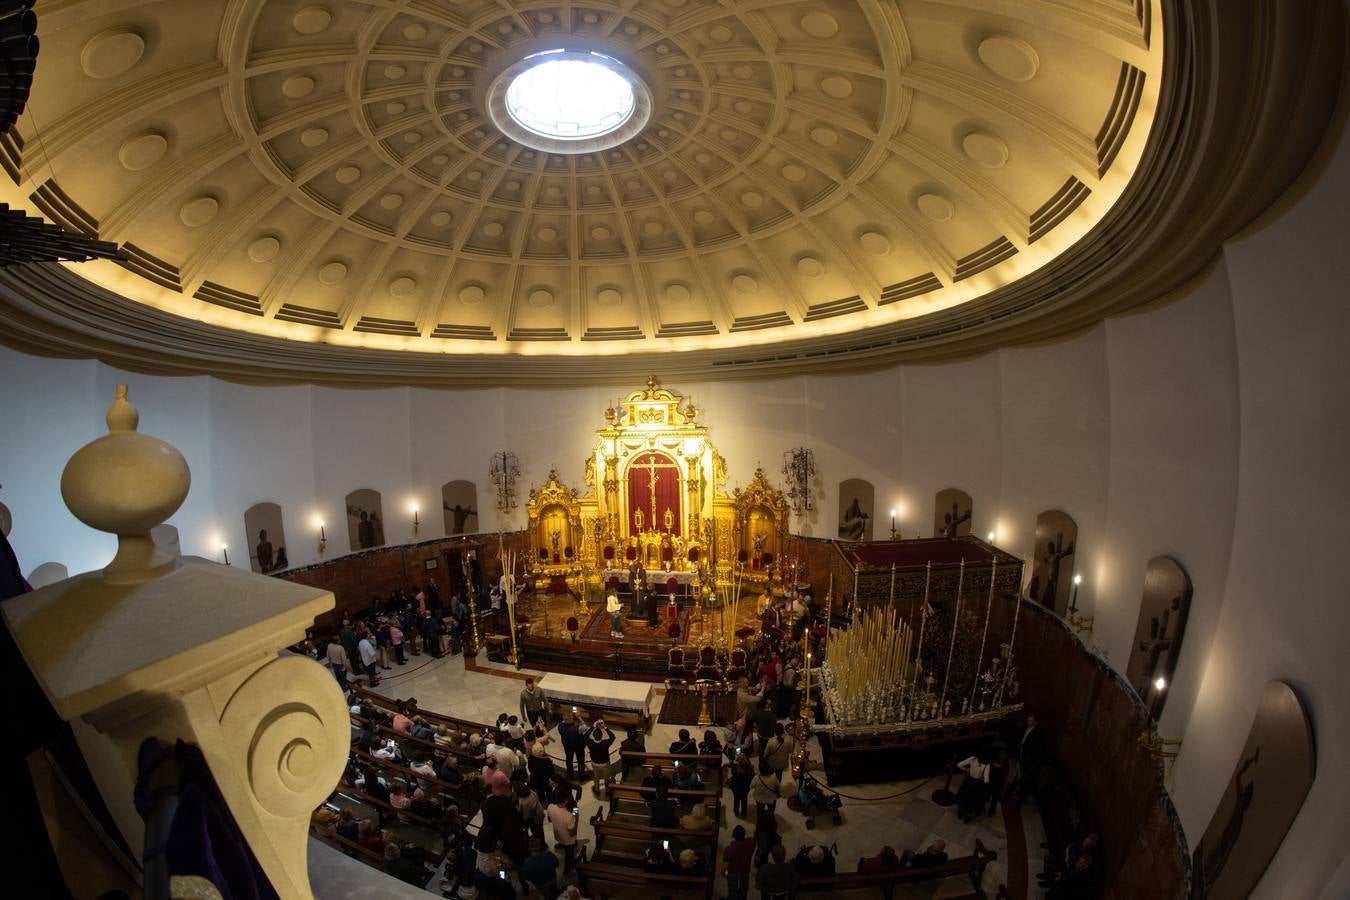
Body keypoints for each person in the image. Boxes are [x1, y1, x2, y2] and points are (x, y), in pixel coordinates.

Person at [546, 788, 579, 873]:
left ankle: (562, 845)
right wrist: (576, 825)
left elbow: (549, 819)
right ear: (566, 800)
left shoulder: (550, 807)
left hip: (558, 834)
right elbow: (572, 833)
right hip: (568, 839)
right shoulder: (569, 815)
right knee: (569, 855)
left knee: (563, 844)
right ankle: (567, 870)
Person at [956, 753, 995, 823]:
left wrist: (966, 769)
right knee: (973, 800)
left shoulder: (973, 758)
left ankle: (960, 813)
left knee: (964, 796)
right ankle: (967, 816)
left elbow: (959, 765)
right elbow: (986, 780)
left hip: (968, 781)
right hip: (977, 784)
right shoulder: (986, 765)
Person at [520, 835, 560, 899]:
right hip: (552, 879)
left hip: (540, 884)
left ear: (529, 848)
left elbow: (527, 878)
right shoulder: (549, 855)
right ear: (540, 846)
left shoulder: (526, 863)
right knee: (555, 891)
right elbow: (557, 864)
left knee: (546, 895)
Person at [722, 824, 755, 900]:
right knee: (744, 890)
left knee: (732, 891)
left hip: (732, 873)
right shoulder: (751, 845)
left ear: (733, 835)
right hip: (745, 871)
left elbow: (724, 868)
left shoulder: (729, 849)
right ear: (744, 835)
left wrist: (726, 874)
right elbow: (753, 839)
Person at [587, 718, 615, 796]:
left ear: (593, 736)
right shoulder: (605, 743)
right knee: (606, 778)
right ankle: (607, 791)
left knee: (596, 777)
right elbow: (613, 737)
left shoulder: (590, 743)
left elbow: (586, 736)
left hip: (595, 763)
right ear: (602, 736)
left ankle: (597, 790)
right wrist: (605, 727)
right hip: (605, 763)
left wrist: (593, 726)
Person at [559, 709, 588, 782]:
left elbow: (564, 720)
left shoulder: (560, 726)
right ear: (572, 719)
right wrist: (579, 717)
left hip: (567, 745)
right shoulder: (578, 728)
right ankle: (581, 775)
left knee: (569, 759)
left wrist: (567, 716)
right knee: (580, 760)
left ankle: (570, 775)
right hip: (578, 746)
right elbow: (585, 726)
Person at [729, 751, 754, 818]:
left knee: (736, 800)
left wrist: (735, 760)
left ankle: (736, 811)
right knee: (744, 800)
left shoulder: (735, 770)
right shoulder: (750, 770)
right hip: (745, 789)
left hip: (736, 788)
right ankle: (743, 813)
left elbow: (732, 767)